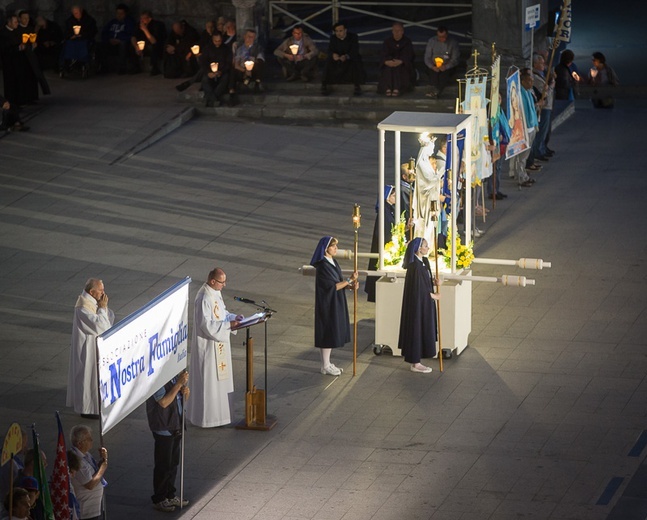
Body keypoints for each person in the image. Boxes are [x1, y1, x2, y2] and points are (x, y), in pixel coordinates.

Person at [187, 268, 243, 428]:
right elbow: (205, 324)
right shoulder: (204, 297)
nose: (224, 285)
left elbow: (221, 313)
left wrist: (233, 318)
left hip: (219, 346)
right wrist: (228, 325)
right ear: (212, 281)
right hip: (209, 348)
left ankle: (222, 417)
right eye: (222, 282)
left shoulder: (214, 293)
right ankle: (207, 418)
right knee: (209, 382)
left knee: (221, 381)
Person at [66, 278, 115, 419]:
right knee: (88, 379)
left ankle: (95, 406)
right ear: (92, 292)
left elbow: (108, 318)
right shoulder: (82, 308)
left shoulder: (93, 302)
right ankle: (88, 409)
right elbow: (101, 327)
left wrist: (103, 308)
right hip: (87, 351)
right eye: (100, 291)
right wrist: (103, 308)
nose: (103, 293)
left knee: (94, 378)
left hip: (93, 347)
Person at [310, 236, 357, 376]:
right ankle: (325, 365)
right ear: (326, 249)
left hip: (335, 300)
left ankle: (327, 363)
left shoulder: (333, 262)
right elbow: (332, 286)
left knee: (331, 331)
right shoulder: (323, 266)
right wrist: (350, 280)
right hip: (327, 303)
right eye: (333, 246)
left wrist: (350, 286)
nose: (336, 248)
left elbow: (339, 282)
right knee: (327, 331)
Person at [146, 370, 190, 512]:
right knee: (163, 465)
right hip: (164, 427)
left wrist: (185, 393)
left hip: (176, 424)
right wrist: (178, 384)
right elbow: (164, 402)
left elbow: (178, 399)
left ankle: (170, 494)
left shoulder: (173, 376)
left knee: (173, 463)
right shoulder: (156, 380)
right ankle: (159, 498)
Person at [398, 237, 440, 373]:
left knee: (423, 328)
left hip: (424, 304)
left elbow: (424, 281)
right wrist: (433, 296)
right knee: (416, 328)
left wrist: (434, 282)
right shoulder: (415, 266)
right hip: (418, 305)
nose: (428, 248)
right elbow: (418, 288)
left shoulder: (424, 262)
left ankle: (418, 359)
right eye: (426, 246)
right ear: (418, 249)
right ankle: (416, 363)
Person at [69, 425, 108, 520]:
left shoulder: (86, 455)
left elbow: (94, 472)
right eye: (88, 438)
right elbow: (90, 484)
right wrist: (103, 467)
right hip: (86, 512)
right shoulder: (77, 460)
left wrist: (103, 459)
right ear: (79, 443)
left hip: (92, 509)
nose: (91, 440)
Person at [365, 186, 396, 302]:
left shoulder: (389, 210)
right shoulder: (384, 213)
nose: (395, 198)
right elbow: (386, 232)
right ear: (387, 197)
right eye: (393, 196)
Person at [321, 22, 366, 96]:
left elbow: (355, 50)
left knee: (356, 61)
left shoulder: (353, 37)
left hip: (349, 58)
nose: (338, 33)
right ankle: (324, 85)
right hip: (338, 59)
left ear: (345, 30)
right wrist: (333, 55)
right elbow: (330, 49)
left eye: (340, 31)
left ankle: (357, 86)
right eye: (337, 31)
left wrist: (347, 56)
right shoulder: (333, 38)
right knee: (328, 61)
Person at [377, 22, 415, 97]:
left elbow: (409, 55)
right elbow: (383, 54)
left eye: (399, 31)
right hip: (390, 63)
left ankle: (397, 88)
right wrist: (387, 61)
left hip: (402, 64)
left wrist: (401, 61)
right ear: (392, 31)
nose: (396, 33)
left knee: (400, 68)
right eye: (395, 31)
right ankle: (387, 88)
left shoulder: (407, 41)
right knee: (388, 68)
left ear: (402, 31)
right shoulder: (387, 41)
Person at [60, 5, 98, 76]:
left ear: (81, 12)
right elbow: (66, 32)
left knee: (84, 45)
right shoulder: (70, 21)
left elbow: (93, 31)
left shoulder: (89, 20)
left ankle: (83, 61)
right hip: (72, 40)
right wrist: (71, 36)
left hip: (84, 40)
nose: (76, 15)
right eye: (75, 13)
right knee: (67, 44)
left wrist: (83, 35)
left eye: (77, 13)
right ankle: (66, 64)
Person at [100, 3, 138, 74]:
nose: (119, 15)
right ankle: (103, 67)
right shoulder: (112, 22)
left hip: (123, 42)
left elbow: (131, 34)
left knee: (123, 45)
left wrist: (120, 39)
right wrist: (109, 39)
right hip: (111, 41)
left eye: (121, 13)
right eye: (118, 13)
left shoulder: (129, 22)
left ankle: (122, 68)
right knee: (101, 45)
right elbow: (104, 32)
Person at [424, 26, 459, 98]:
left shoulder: (453, 43)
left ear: (446, 35)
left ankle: (437, 91)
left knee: (444, 75)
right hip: (434, 65)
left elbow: (455, 59)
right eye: (439, 37)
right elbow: (427, 57)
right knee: (433, 74)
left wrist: (446, 66)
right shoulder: (432, 41)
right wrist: (432, 66)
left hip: (447, 65)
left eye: (443, 37)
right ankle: (435, 90)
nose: (441, 38)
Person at [230, 29, 266, 97]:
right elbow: (236, 64)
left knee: (259, 65)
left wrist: (250, 66)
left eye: (252, 37)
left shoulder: (258, 48)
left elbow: (260, 59)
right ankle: (232, 92)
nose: (249, 39)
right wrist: (244, 70)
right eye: (248, 36)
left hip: (253, 68)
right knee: (233, 71)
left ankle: (257, 83)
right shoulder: (239, 49)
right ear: (244, 36)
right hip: (242, 69)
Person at [200, 32, 231, 107]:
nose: (218, 43)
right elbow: (203, 62)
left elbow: (228, 63)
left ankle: (211, 98)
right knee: (205, 80)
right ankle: (214, 99)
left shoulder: (226, 49)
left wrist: (221, 71)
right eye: (215, 41)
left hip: (222, 72)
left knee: (225, 79)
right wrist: (208, 72)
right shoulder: (207, 49)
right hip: (210, 72)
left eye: (219, 41)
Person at [135, 10, 166, 76]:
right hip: (142, 45)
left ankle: (154, 67)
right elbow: (133, 37)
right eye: (141, 18)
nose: (142, 20)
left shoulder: (157, 25)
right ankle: (134, 67)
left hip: (156, 45)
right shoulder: (138, 24)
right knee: (131, 46)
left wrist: (145, 30)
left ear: (149, 19)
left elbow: (154, 41)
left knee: (153, 47)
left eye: (144, 18)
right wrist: (136, 47)